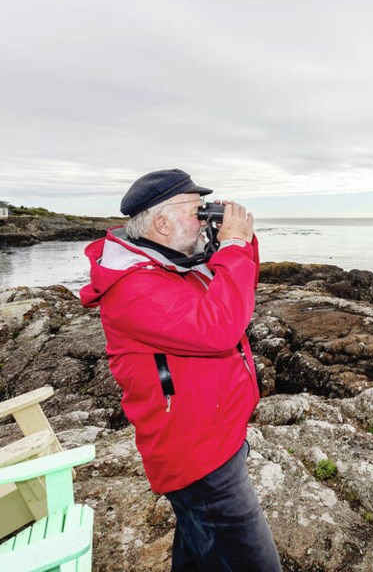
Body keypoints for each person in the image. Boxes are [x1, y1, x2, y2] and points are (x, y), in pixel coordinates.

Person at [80, 169, 281, 571]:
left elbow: (238, 287)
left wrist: (238, 241)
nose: (205, 219)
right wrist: (234, 244)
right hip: (199, 458)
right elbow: (221, 328)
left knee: (201, 547)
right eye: (196, 212)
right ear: (161, 223)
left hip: (216, 436)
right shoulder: (134, 288)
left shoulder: (173, 265)